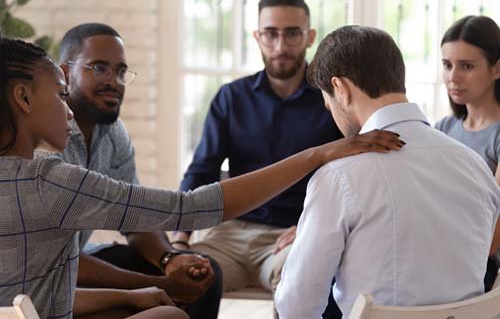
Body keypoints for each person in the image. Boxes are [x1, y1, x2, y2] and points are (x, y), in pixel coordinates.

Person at [0, 36, 404, 318]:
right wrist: (320, 153)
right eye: (58, 93)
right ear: (22, 97)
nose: (67, 108)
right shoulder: (50, 181)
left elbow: (29, 296)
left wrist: (143, 287)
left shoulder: (55, 168)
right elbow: (191, 208)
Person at [274, 25, 500, 318]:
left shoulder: (339, 176)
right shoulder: (474, 166)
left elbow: (296, 306)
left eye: (327, 102)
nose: (331, 111)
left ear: (340, 89)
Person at [174, 0, 343, 304]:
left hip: (294, 235)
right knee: (181, 280)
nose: (281, 46)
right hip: (230, 235)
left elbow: (352, 174)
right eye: (271, 34)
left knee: (303, 284)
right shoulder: (231, 98)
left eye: (292, 34)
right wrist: (180, 241)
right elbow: (201, 172)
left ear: (309, 37)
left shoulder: (331, 100)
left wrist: (313, 227)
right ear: (257, 36)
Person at [52, 22, 221, 319]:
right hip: (48, 278)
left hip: (79, 260)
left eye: (119, 72)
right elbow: (57, 260)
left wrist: (170, 259)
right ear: (64, 73)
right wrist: (161, 285)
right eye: (98, 68)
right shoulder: (46, 136)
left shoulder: (114, 133)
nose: (113, 81)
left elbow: (135, 219)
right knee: (169, 297)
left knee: (203, 274)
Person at [434, 15, 500, 291]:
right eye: (447, 65)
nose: (453, 77)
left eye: (467, 66)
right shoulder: (443, 128)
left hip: (475, 265)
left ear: (496, 69)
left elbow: (494, 231)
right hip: (437, 251)